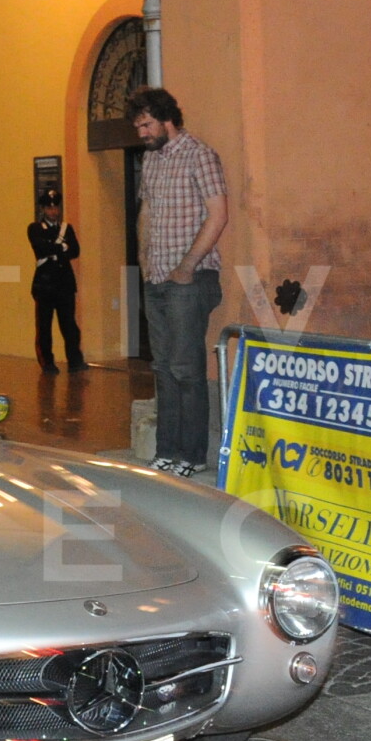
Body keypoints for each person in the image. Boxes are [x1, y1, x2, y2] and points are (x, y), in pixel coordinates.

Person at [132, 89, 229, 476]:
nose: (141, 133)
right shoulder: (150, 159)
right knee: (163, 368)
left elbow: (218, 214)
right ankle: (167, 450)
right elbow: (146, 210)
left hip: (190, 280)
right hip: (156, 277)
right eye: (138, 126)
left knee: (187, 369)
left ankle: (192, 455)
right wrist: (143, 258)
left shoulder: (199, 155)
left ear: (166, 119)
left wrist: (188, 265)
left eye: (146, 124)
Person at [27, 192, 82, 373]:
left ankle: (75, 360)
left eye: (56, 207)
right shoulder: (35, 228)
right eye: (50, 208)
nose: (53, 211)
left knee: (69, 325)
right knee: (44, 327)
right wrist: (62, 247)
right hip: (45, 285)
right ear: (43, 209)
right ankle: (47, 362)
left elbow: (75, 251)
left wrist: (57, 248)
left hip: (65, 283)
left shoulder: (67, 228)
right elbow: (41, 248)